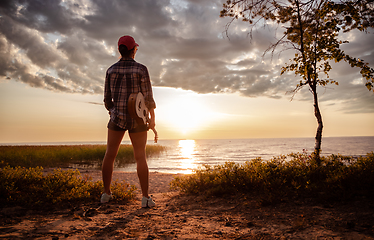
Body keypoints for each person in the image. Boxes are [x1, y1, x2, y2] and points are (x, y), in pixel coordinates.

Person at [101, 35, 156, 208]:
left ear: (120, 50)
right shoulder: (141, 69)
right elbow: (148, 98)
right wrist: (152, 119)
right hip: (138, 120)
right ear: (134, 50)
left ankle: (106, 194)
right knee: (141, 157)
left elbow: (107, 100)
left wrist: (114, 112)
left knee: (110, 155)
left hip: (117, 118)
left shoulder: (110, 70)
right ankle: (146, 198)